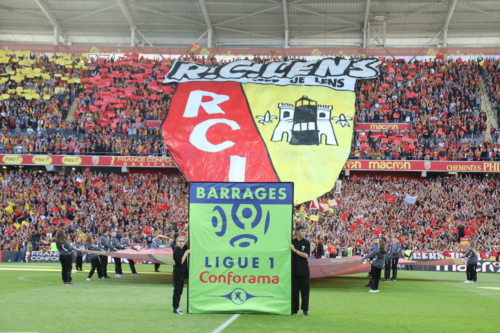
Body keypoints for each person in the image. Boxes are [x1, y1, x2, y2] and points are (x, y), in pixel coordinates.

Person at [290, 225, 311, 316]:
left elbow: (306, 255)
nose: (303, 233)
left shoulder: (306, 243)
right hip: (293, 271)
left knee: (305, 292)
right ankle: (295, 310)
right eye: (302, 231)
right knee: (294, 292)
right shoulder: (292, 242)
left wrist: (294, 250)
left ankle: (305, 310)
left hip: (304, 271)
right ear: (297, 231)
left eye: (304, 231)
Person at [172, 236, 190, 314]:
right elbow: (180, 262)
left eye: (183, 241)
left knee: (180, 292)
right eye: (180, 241)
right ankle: (175, 308)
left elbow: (187, 241)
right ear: (177, 242)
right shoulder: (176, 251)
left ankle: (177, 307)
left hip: (182, 273)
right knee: (177, 292)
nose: (182, 242)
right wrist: (186, 253)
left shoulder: (182, 249)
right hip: (178, 274)